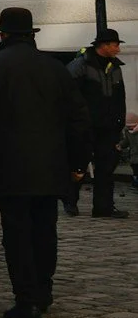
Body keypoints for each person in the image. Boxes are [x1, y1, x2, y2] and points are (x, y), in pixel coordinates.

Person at [0, 5, 92, 318]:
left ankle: (26, 300)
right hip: (51, 165)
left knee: (17, 233)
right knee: (45, 231)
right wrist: (78, 163)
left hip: (9, 166)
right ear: (31, 34)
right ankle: (43, 292)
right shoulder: (55, 68)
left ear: (2, 34)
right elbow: (78, 119)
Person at [66, 29, 128, 217]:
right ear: (105, 45)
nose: (118, 48)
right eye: (115, 44)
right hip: (85, 126)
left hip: (108, 126)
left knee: (106, 168)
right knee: (78, 165)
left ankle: (104, 207)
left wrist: (119, 121)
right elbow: (68, 94)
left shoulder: (115, 67)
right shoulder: (81, 65)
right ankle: (70, 202)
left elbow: (120, 97)